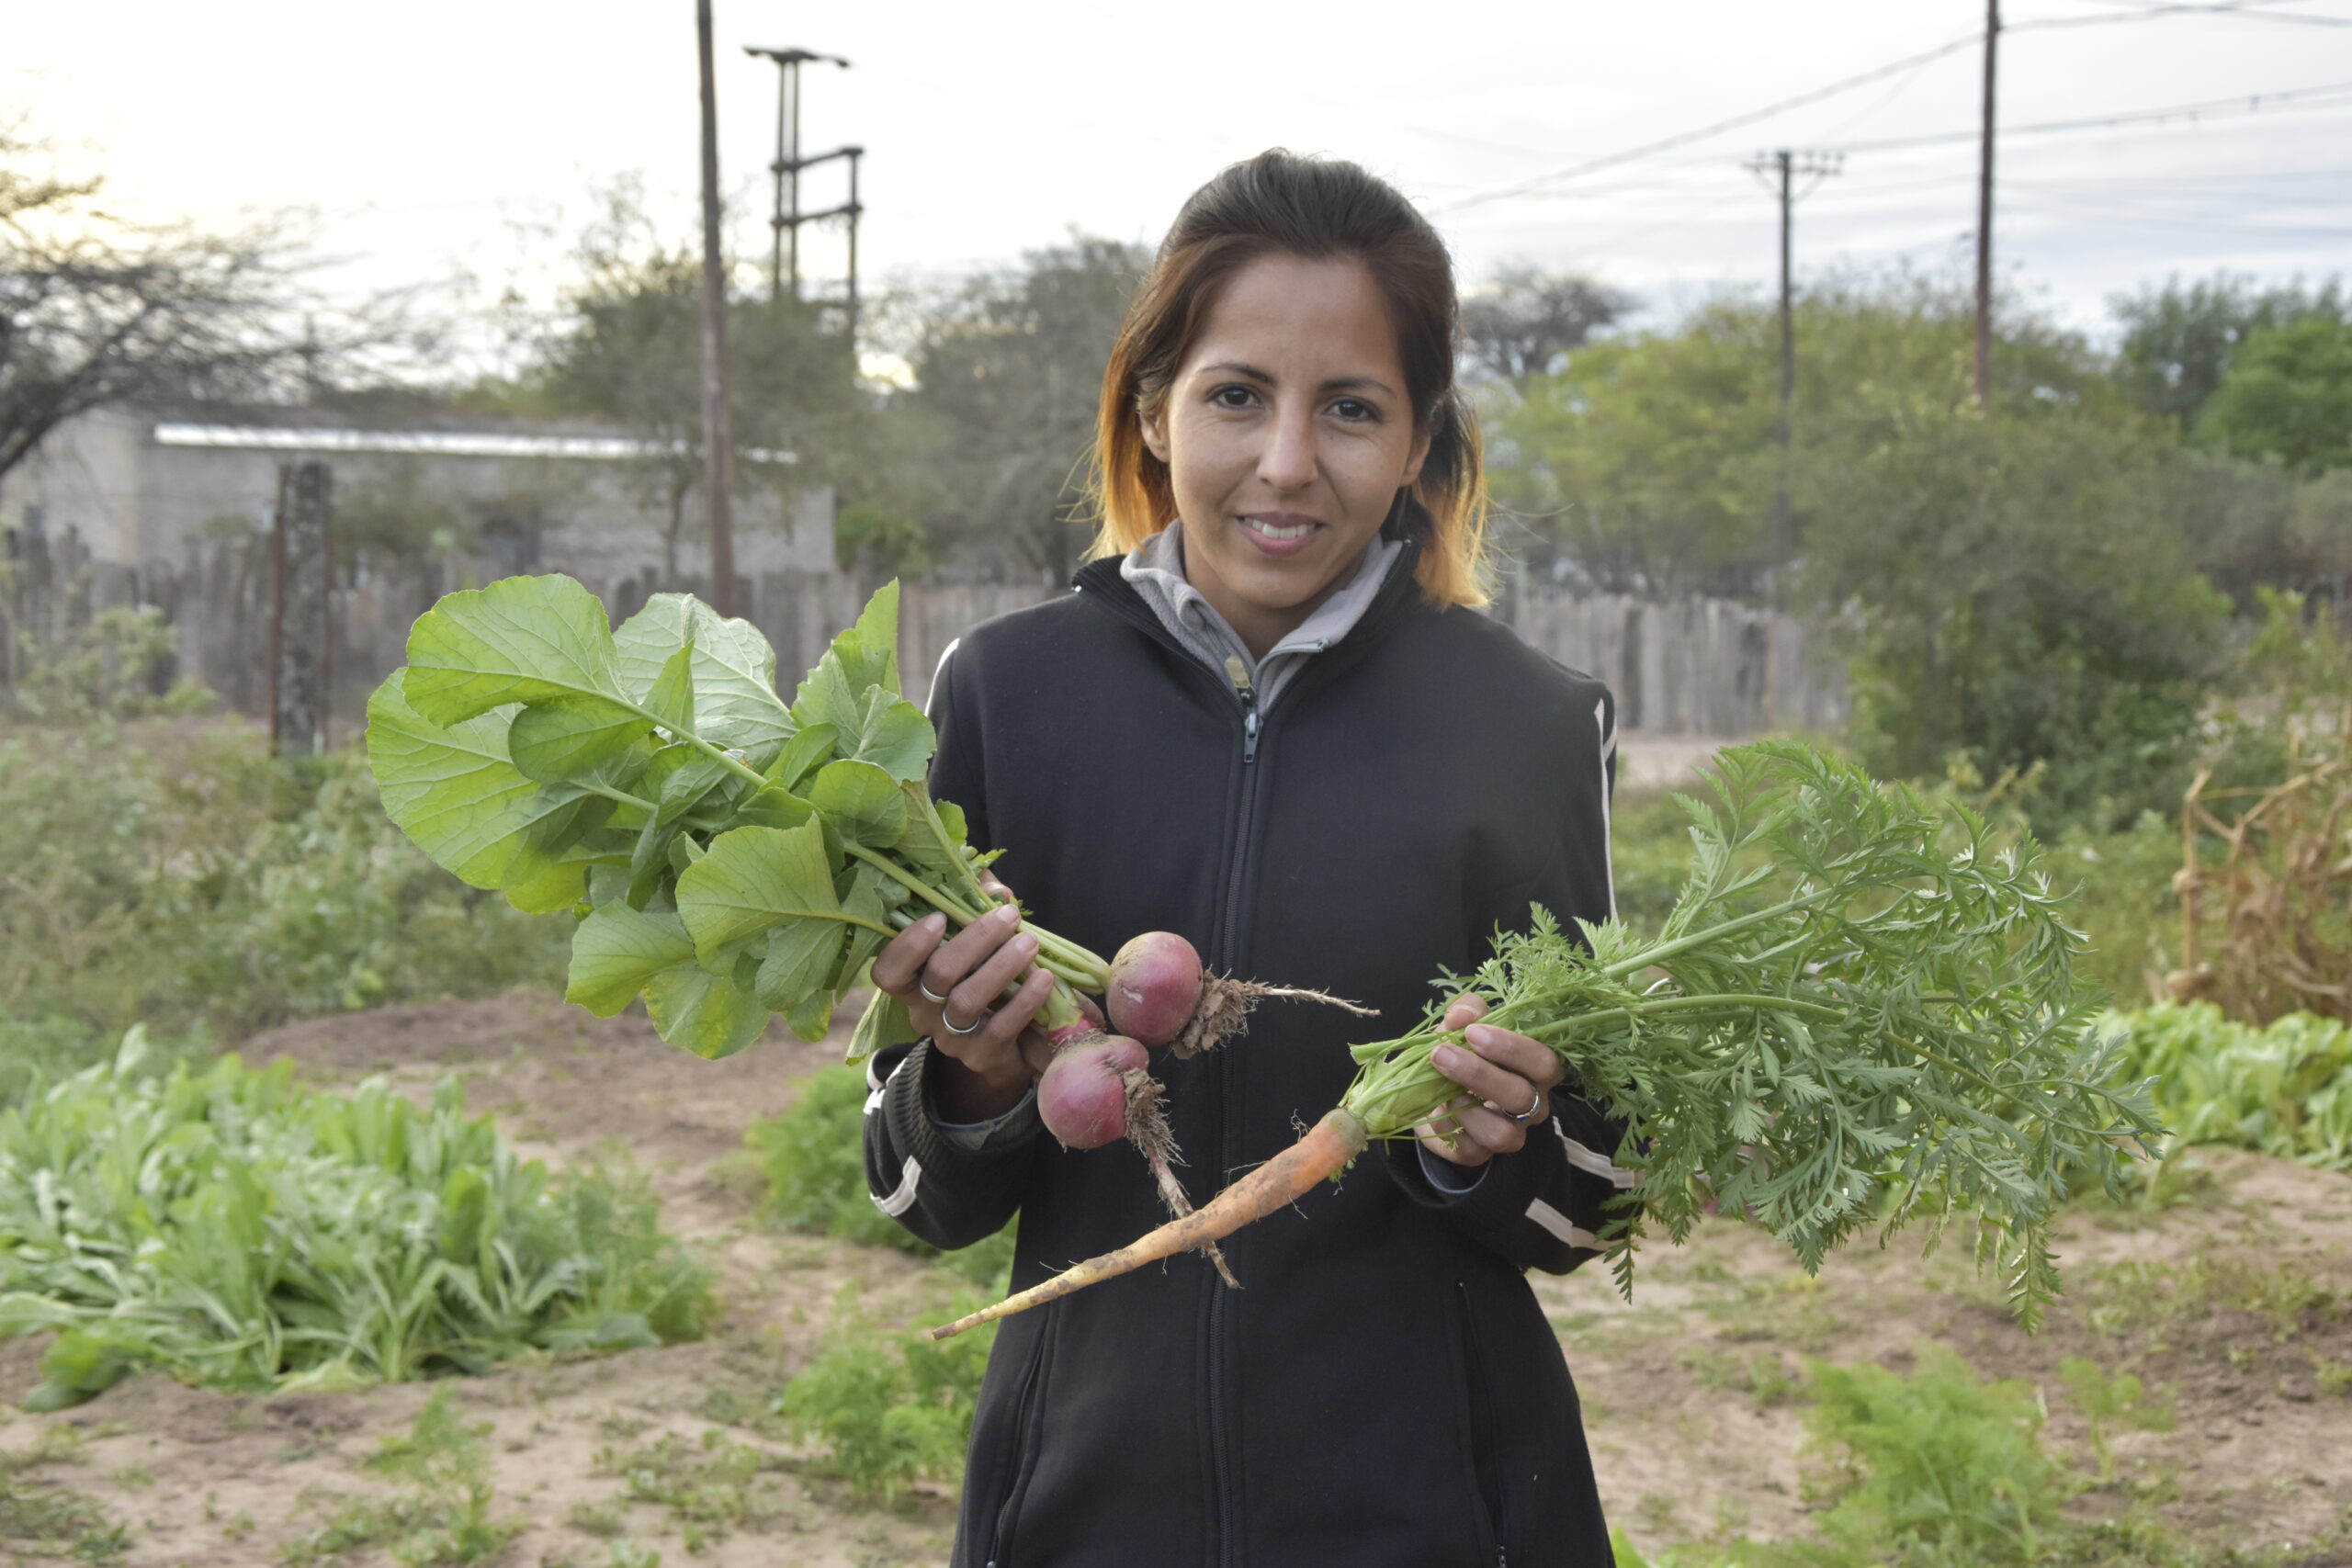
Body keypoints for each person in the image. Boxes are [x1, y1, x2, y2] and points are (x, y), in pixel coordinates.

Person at [862, 149, 1627, 1568]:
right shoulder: (1003, 695)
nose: (1286, 463)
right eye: (1235, 396)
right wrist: (968, 1071)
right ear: (1152, 409)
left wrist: (1500, 1141)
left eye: (1349, 408)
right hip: (1083, 1512)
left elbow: (1597, 1196)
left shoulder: (1529, 721)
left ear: (1417, 440)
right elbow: (914, 1194)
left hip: (1442, 1514)